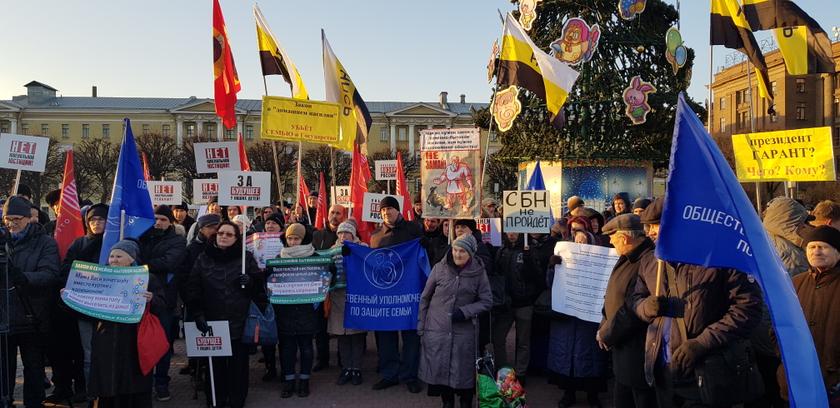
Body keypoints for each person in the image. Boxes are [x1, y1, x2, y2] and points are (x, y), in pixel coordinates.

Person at [631, 251, 762, 406]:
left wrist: (703, 342)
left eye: (655, 225)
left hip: (705, 374)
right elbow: (636, 299)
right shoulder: (649, 260)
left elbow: (748, 308)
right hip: (662, 373)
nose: (649, 232)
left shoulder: (720, 256)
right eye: (646, 227)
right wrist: (646, 307)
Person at [186, 221, 267, 408]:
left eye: (229, 234)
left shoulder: (245, 258)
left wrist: (251, 282)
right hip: (212, 320)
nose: (223, 236)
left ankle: (237, 398)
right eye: (221, 233)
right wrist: (197, 313)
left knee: (238, 364)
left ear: (236, 238)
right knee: (215, 365)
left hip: (239, 318)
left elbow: (259, 290)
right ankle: (215, 398)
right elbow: (193, 287)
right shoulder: (203, 257)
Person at [0, 195, 61, 408]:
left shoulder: (45, 243)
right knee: (3, 369)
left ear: (28, 218)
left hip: (32, 315)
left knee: (33, 366)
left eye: (17, 218)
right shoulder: (2, 240)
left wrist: (24, 277)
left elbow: (51, 274)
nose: (12, 223)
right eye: (8, 219)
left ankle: (34, 403)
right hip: (4, 316)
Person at [88, 240, 164, 408]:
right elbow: (87, 307)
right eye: (112, 256)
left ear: (131, 259)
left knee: (132, 384)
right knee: (107, 384)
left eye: (119, 256)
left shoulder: (146, 278)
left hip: (133, 339)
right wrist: (70, 296)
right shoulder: (101, 278)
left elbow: (163, 305)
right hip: (105, 338)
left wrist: (153, 299)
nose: (114, 260)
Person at [418, 234, 492, 408]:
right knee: (441, 370)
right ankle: (447, 402)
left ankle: (466, 401)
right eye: (455, 250)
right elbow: (425, 298)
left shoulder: (479, 272)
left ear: (471, 254)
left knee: (463, 372)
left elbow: (487, 300)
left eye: (463, 251)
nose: (457, 255)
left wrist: (466, 311)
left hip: (464, 332)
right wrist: (421, 327)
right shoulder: (439, 268)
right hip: (437, 329)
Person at [51, 203, 109, 404]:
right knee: (88, 352)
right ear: (86, 222)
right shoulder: (78, 244)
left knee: (109, 350)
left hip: (109, 307)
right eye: (92, 220)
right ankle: (91, 390)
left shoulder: (114, 243)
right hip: (84, 307)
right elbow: (66, 269)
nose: (96, 223)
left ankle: (109, 389)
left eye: (101, 219)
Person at [597, 215, 656, 408]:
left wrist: (607, 333)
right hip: (620, 349)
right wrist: (603, 326)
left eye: (613, 237)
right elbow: (611, 296)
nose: (610, 242)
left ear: (625, 238)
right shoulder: (625, 258)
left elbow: (633, 307)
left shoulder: (648, 260)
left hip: (637, 351)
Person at [549, 221, 609, 408]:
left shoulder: (600, 254)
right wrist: (552, 268)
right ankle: (569, 393)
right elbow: (550, 284)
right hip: (567, 317)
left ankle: (593, 395)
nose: (577, 234)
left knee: (591, 357)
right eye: (573, 230)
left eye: (580, 229)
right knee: (567, 356)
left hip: (589, 318)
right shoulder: (563, 253)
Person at [368, 196, 425, 393]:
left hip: (409, 294)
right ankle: (389, 374)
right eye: (383, 210)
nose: (386, 213)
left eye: (390, 209)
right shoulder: (375, 236)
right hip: (385, 296)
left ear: (398, 210)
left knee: (411, 336)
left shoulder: (414, 230)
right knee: (385, 337)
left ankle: (410, 375)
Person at [777, 226, 840, 404]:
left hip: (833, 383)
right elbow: (778, 325)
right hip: (796, 379)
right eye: (812, 247)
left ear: (838, 252)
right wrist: (785, 356)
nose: (816, 251)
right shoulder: (795, 283)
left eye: (823, 247)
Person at [138, 205, 187, 401]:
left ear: (170, 222)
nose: (159, 223)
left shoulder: (177, 241)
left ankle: (161, 382)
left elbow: (169, 262)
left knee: (162, 343)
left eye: (163, 220)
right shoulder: (142, 237)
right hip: (138, 298)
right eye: (156, 219)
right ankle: (143, 382)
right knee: (141, 343)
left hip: (163, 300)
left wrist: (141, 265)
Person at [275, 223, 320, 398]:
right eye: (290, 238)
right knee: (287, 348)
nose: (293, 242)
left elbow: (326, 279)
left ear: (304, 239)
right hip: (285, 310)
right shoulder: (279, 258)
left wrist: (328, 270)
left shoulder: (314, 257)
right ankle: (288, 380)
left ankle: (304, 380)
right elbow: (271, 281)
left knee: (307, 347)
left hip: (307, 310)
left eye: (296, 238)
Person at [492, 230, 543, 383]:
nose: (511, 234)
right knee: (498, 338)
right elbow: (497, 274)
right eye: (509, 231)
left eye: (514, 231)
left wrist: (529, 261)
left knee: (523, 341)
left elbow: (537, 276)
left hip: (524, 302)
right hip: (505, 304)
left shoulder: (530, 250)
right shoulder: (502, 250)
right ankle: (503, 371)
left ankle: (521, 373)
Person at [328, 221, 367, 386]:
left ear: (353, 234)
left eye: (346, 233)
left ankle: (356, 368)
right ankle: (346, 368)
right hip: (338, 296)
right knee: (342, 336)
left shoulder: (362, 247)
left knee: (356, 335)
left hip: (356, 296)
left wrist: (352, 255)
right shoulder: (331, 250)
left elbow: (366, 267)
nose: (343, 236)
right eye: (340, 233)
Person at [311, 204, 348, 371]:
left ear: (344, 216)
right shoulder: (317, 235)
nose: (334, 216)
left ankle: (343, 359)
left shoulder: (348, 236)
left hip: (341, 288)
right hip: (322, 288)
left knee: (341, 325)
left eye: (338, 213)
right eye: (332, 212)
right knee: (321, 325)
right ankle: (322, 359)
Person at [762, 196, 812, 277]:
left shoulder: (764, 239)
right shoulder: (791, 256)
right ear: (791, 223)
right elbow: (799, 286)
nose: (807, 226)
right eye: (804, 222)